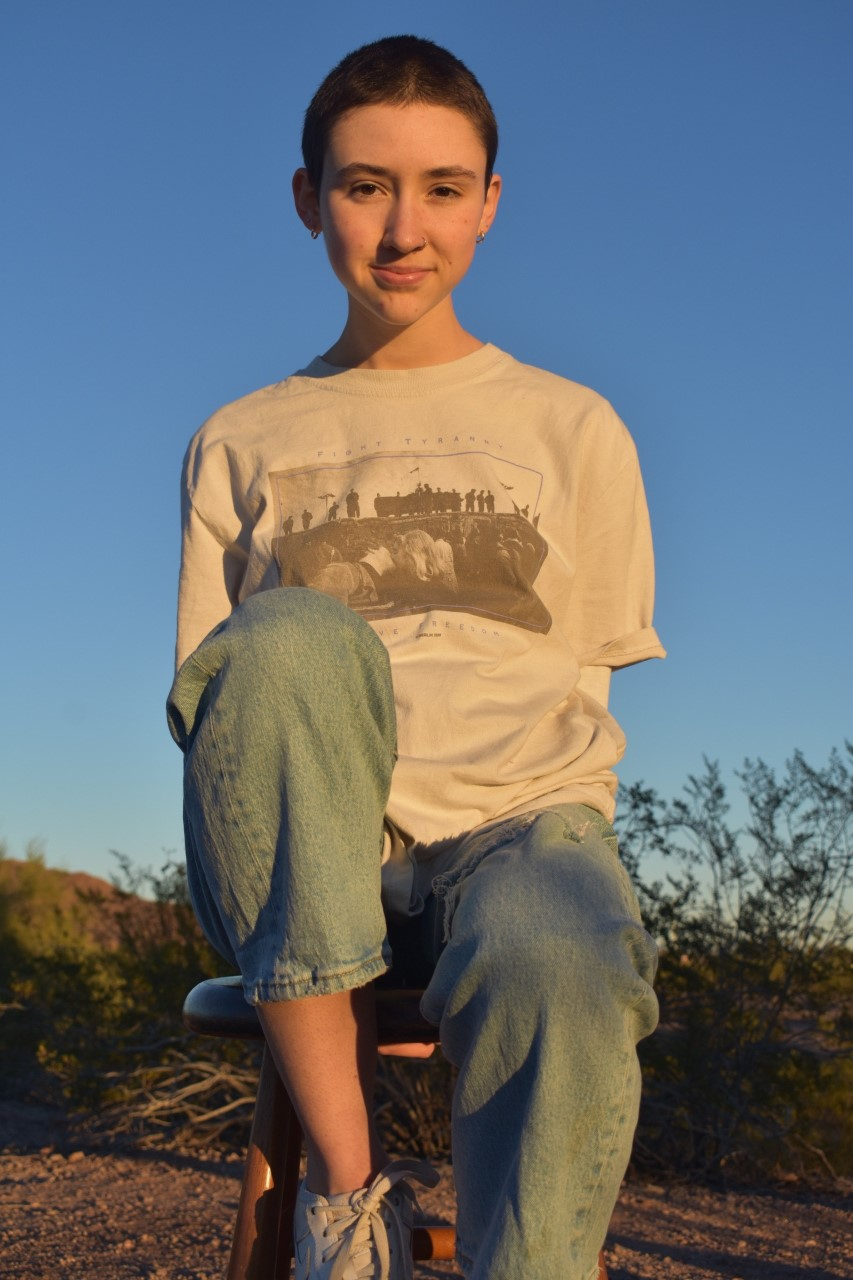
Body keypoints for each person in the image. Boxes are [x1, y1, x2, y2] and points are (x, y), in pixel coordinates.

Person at [167, 35, 664, 1280]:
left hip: (514, 830)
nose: (403, 226)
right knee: (284, 637)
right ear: (307, 199)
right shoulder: (242, 437)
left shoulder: (573, 424)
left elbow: (580, 684)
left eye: (443, 186)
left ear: (490, 204)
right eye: (362, 184)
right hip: (311, 851)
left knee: (557, 939)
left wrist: (559, 865)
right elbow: (220, 711)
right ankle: (347, 1195)